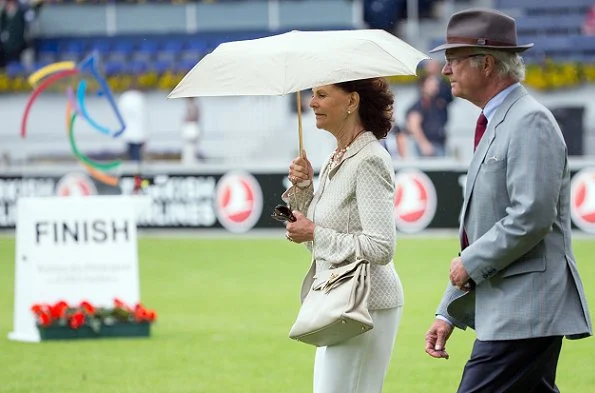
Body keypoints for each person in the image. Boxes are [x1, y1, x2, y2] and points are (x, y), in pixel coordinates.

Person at [423, 8, 592, 393]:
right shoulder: (502, 121)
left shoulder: (529, 121)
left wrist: (469, 264)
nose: (445, 70)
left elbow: (531, 216)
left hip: (526, 311)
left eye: (452, 60)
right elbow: (485, 232)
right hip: (516, 310)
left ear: (485, 64)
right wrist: (447, 310)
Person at [282, 77, 404, 393]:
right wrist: (305, 188)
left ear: (351, 102)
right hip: (339, 302)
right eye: (311, 94)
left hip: (365, 305)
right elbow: (323, 238)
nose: (312, 103)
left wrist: (315, 233)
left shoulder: (370, 159)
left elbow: (381, 247)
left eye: (322, 95)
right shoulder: (336, 156)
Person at [405, 74, 448, 157]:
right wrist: (424, 144)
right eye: (431, 84)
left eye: (436, 85)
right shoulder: (420, 104)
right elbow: (414, 125)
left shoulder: (436, 103)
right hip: (428, 148)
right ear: (423, 86)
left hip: (439, 145)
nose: (435, 87)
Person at [118, 85, 147, 164]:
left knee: (132, 154)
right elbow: (142, 117)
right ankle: (136, 173)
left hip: (128, 132)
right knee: (136, 156)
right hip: (137, 133)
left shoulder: (124, 98)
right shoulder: (138, 98)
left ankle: (135, 171)